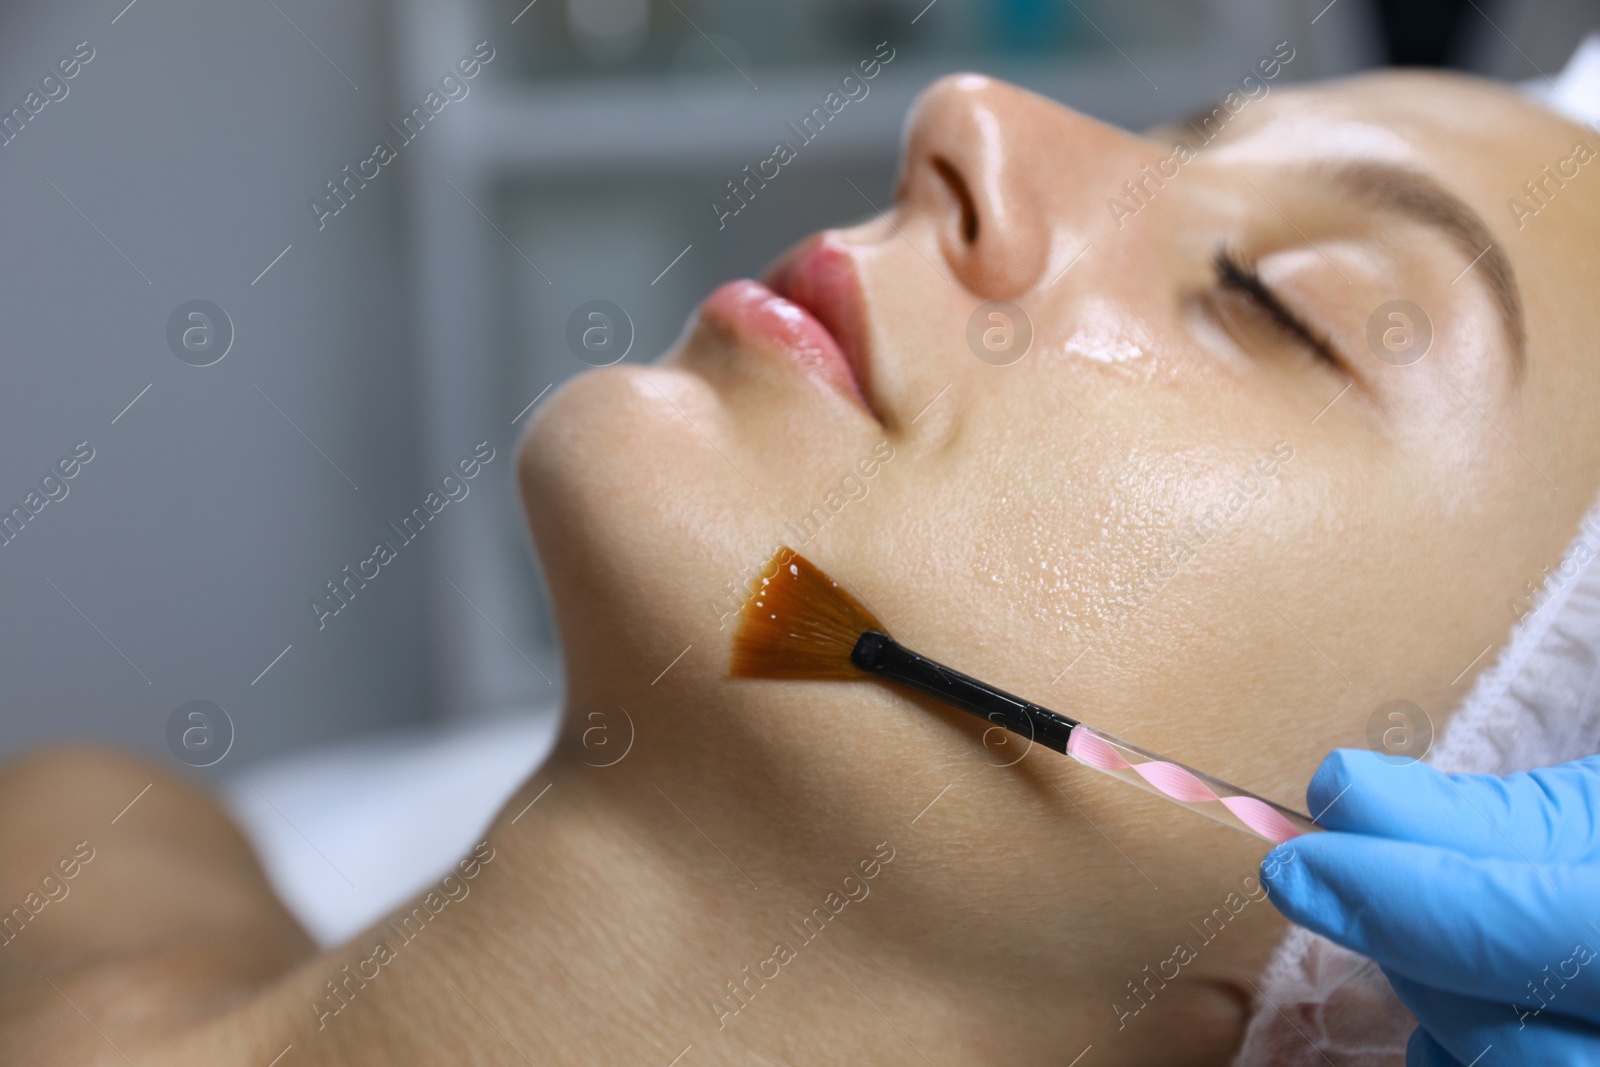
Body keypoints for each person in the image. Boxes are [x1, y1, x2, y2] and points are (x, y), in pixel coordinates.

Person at [3, 55, 1599, 1066]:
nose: (972, 113)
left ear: (1373, 967)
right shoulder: (84, 876)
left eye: (1273, 298)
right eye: (1167, 143)